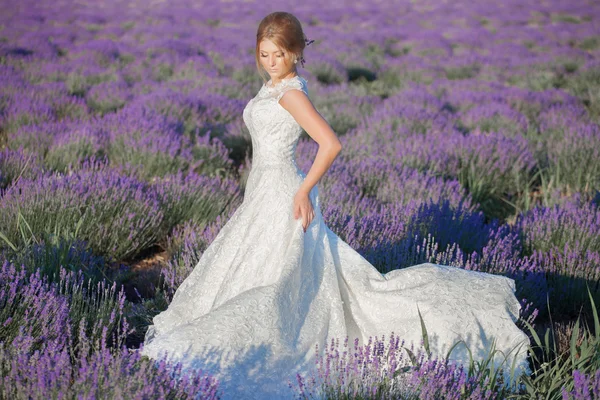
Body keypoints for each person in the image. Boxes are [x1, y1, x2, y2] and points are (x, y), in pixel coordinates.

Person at [140, 11, 531, 399]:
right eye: (263, 54)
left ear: (294, 52)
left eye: (278, 54)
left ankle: (271, 344)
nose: (270, 62)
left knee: (281, 275)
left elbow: (330, 144)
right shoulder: (275, 87)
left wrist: (303, 190)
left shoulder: (291, 93)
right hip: (262, 190)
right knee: (261, 265)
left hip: (283, 192)